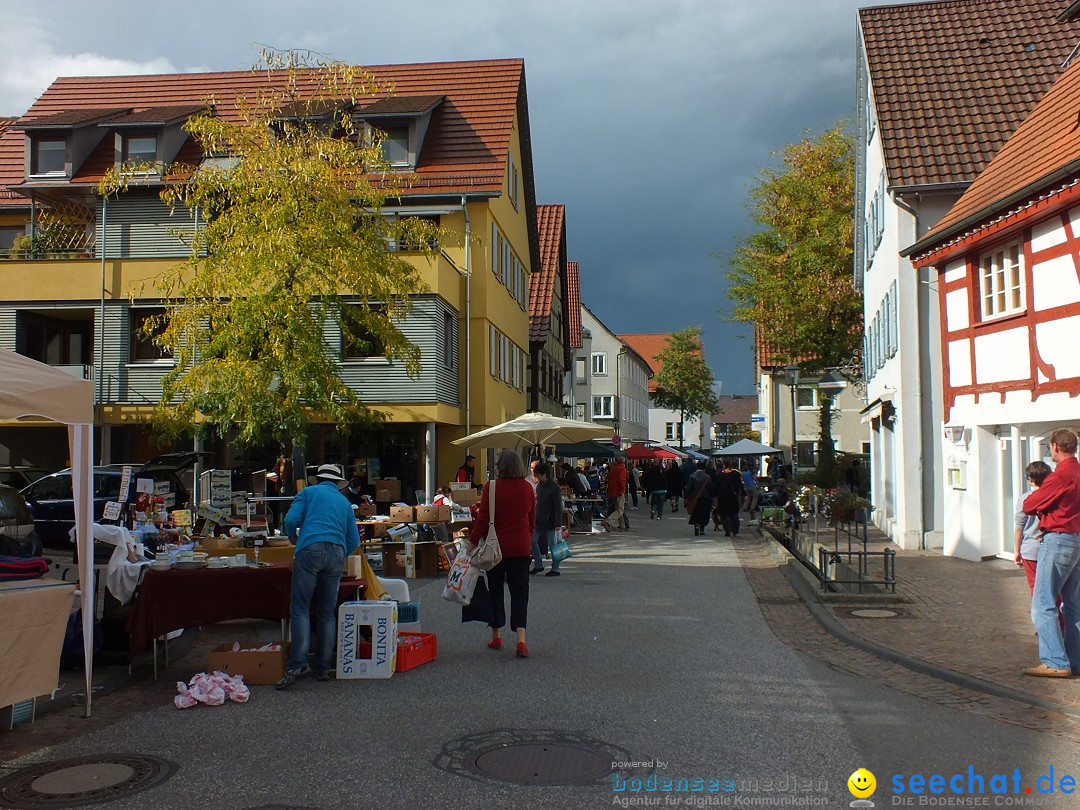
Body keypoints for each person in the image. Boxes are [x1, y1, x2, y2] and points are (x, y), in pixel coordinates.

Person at [277, 463, 361, 689]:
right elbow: (354, 539)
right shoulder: (344, 502)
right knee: (327, 612)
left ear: (318, 479)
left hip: (309, 549)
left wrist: (293, 537)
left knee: (301, 608)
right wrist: (340, 553)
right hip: (336, 553)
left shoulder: (307, 492)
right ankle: (322, 667)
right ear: (337, 482)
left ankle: (297, 663)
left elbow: (290, 520)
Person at [1021, 428, 1080, 678]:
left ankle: (1056, 661)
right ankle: (1075, 659)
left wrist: (1046, 506)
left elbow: (1030, 504)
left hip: (1057, 538)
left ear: (1055, 446)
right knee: (1074, 605)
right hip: (1076, 539)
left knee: (1043, 603)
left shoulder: (1060, 475)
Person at [469, 449, 536, 658]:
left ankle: (496, 635)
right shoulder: (527, 488)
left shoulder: (492, 487)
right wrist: (525, 536)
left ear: (500, 466)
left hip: (495, 548)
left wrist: (471, 543)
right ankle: (521, 640)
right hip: (521, 547)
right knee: (520, 593)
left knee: (495, 590)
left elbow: (482, 519)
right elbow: (532, 521)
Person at [530, 462, 564, 577]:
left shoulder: (554, 488)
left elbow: (558, 506)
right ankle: (538, 564)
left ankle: (555, 568)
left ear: (544, 475)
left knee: (554, 545)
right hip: (539, 520)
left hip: (551, 521)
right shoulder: (539, 486)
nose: (537, 478)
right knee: (532, 540)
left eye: (538, 475)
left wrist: (558, 522)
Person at [714, 459, 745, 536]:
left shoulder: (721, 475)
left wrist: (714, 495)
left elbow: (716, 487)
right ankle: (735, 529)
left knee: (725, 514)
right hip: (733, 496)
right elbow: (740, 485)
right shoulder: (736, 474)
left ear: (724, 465)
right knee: (734, 513)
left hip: (723, 497)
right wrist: (744, 494)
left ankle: (728, 530)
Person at [685, 461, 714, 536]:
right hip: (705, 498)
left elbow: (689, 488)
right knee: (704, 514)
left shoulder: (692, 476)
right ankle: (702, 529)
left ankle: (696, 525)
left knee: (695, 513)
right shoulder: (707, 477)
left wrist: (687, 497)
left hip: (694, 498)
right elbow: (711, 489)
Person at [603, 456, 629, 532]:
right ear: (624, 462)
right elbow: (621, 480)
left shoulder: (613, 468)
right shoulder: (622, 469)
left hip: (612, 491)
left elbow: (607, 478)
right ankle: (607, 521)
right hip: (618, 492)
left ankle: (622, 526)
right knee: (620, 509)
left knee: (618, 508)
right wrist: (622, 490)